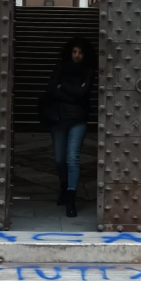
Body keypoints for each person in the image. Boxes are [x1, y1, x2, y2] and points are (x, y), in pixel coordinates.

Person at [37, 36, 96, 216]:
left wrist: (64, 88)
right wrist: (74, 93)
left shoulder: (89, 70)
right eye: (74, 52)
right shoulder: (61, 67)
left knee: (73, 159)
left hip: (78, 120)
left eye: (80, 53)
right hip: (59, 120)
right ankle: (64, 186)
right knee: (59, 160)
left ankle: (71, 198)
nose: (77, 56)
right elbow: (51, 89)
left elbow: (83, 93)